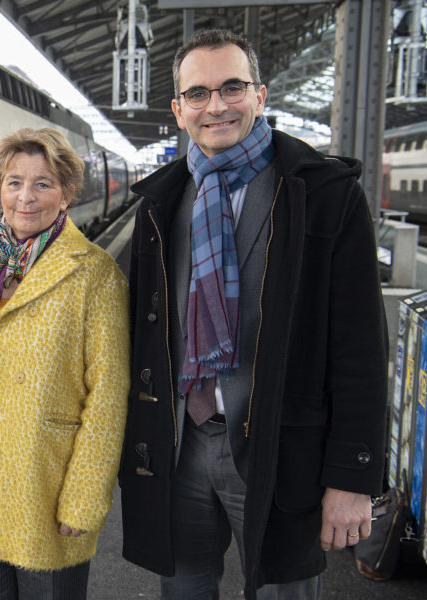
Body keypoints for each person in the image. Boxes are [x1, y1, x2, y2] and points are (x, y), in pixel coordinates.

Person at [120, 29, 388, 600]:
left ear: (260, 95)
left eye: (232, 87)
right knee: (185, 589)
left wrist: (353, 477)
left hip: (283, 448)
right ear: (178, 109)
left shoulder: (323, 193)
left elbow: (360, 348)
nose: (215, 105)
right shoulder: (162, 202)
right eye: (198, 94)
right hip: (182, 446)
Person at [0, 127, 130, 599]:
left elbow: (107, 396)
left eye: (43, 183)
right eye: (15, 181)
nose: (26, 197)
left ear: (66, 195)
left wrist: (84, 496)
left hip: (46, 481)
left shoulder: (94, 272)